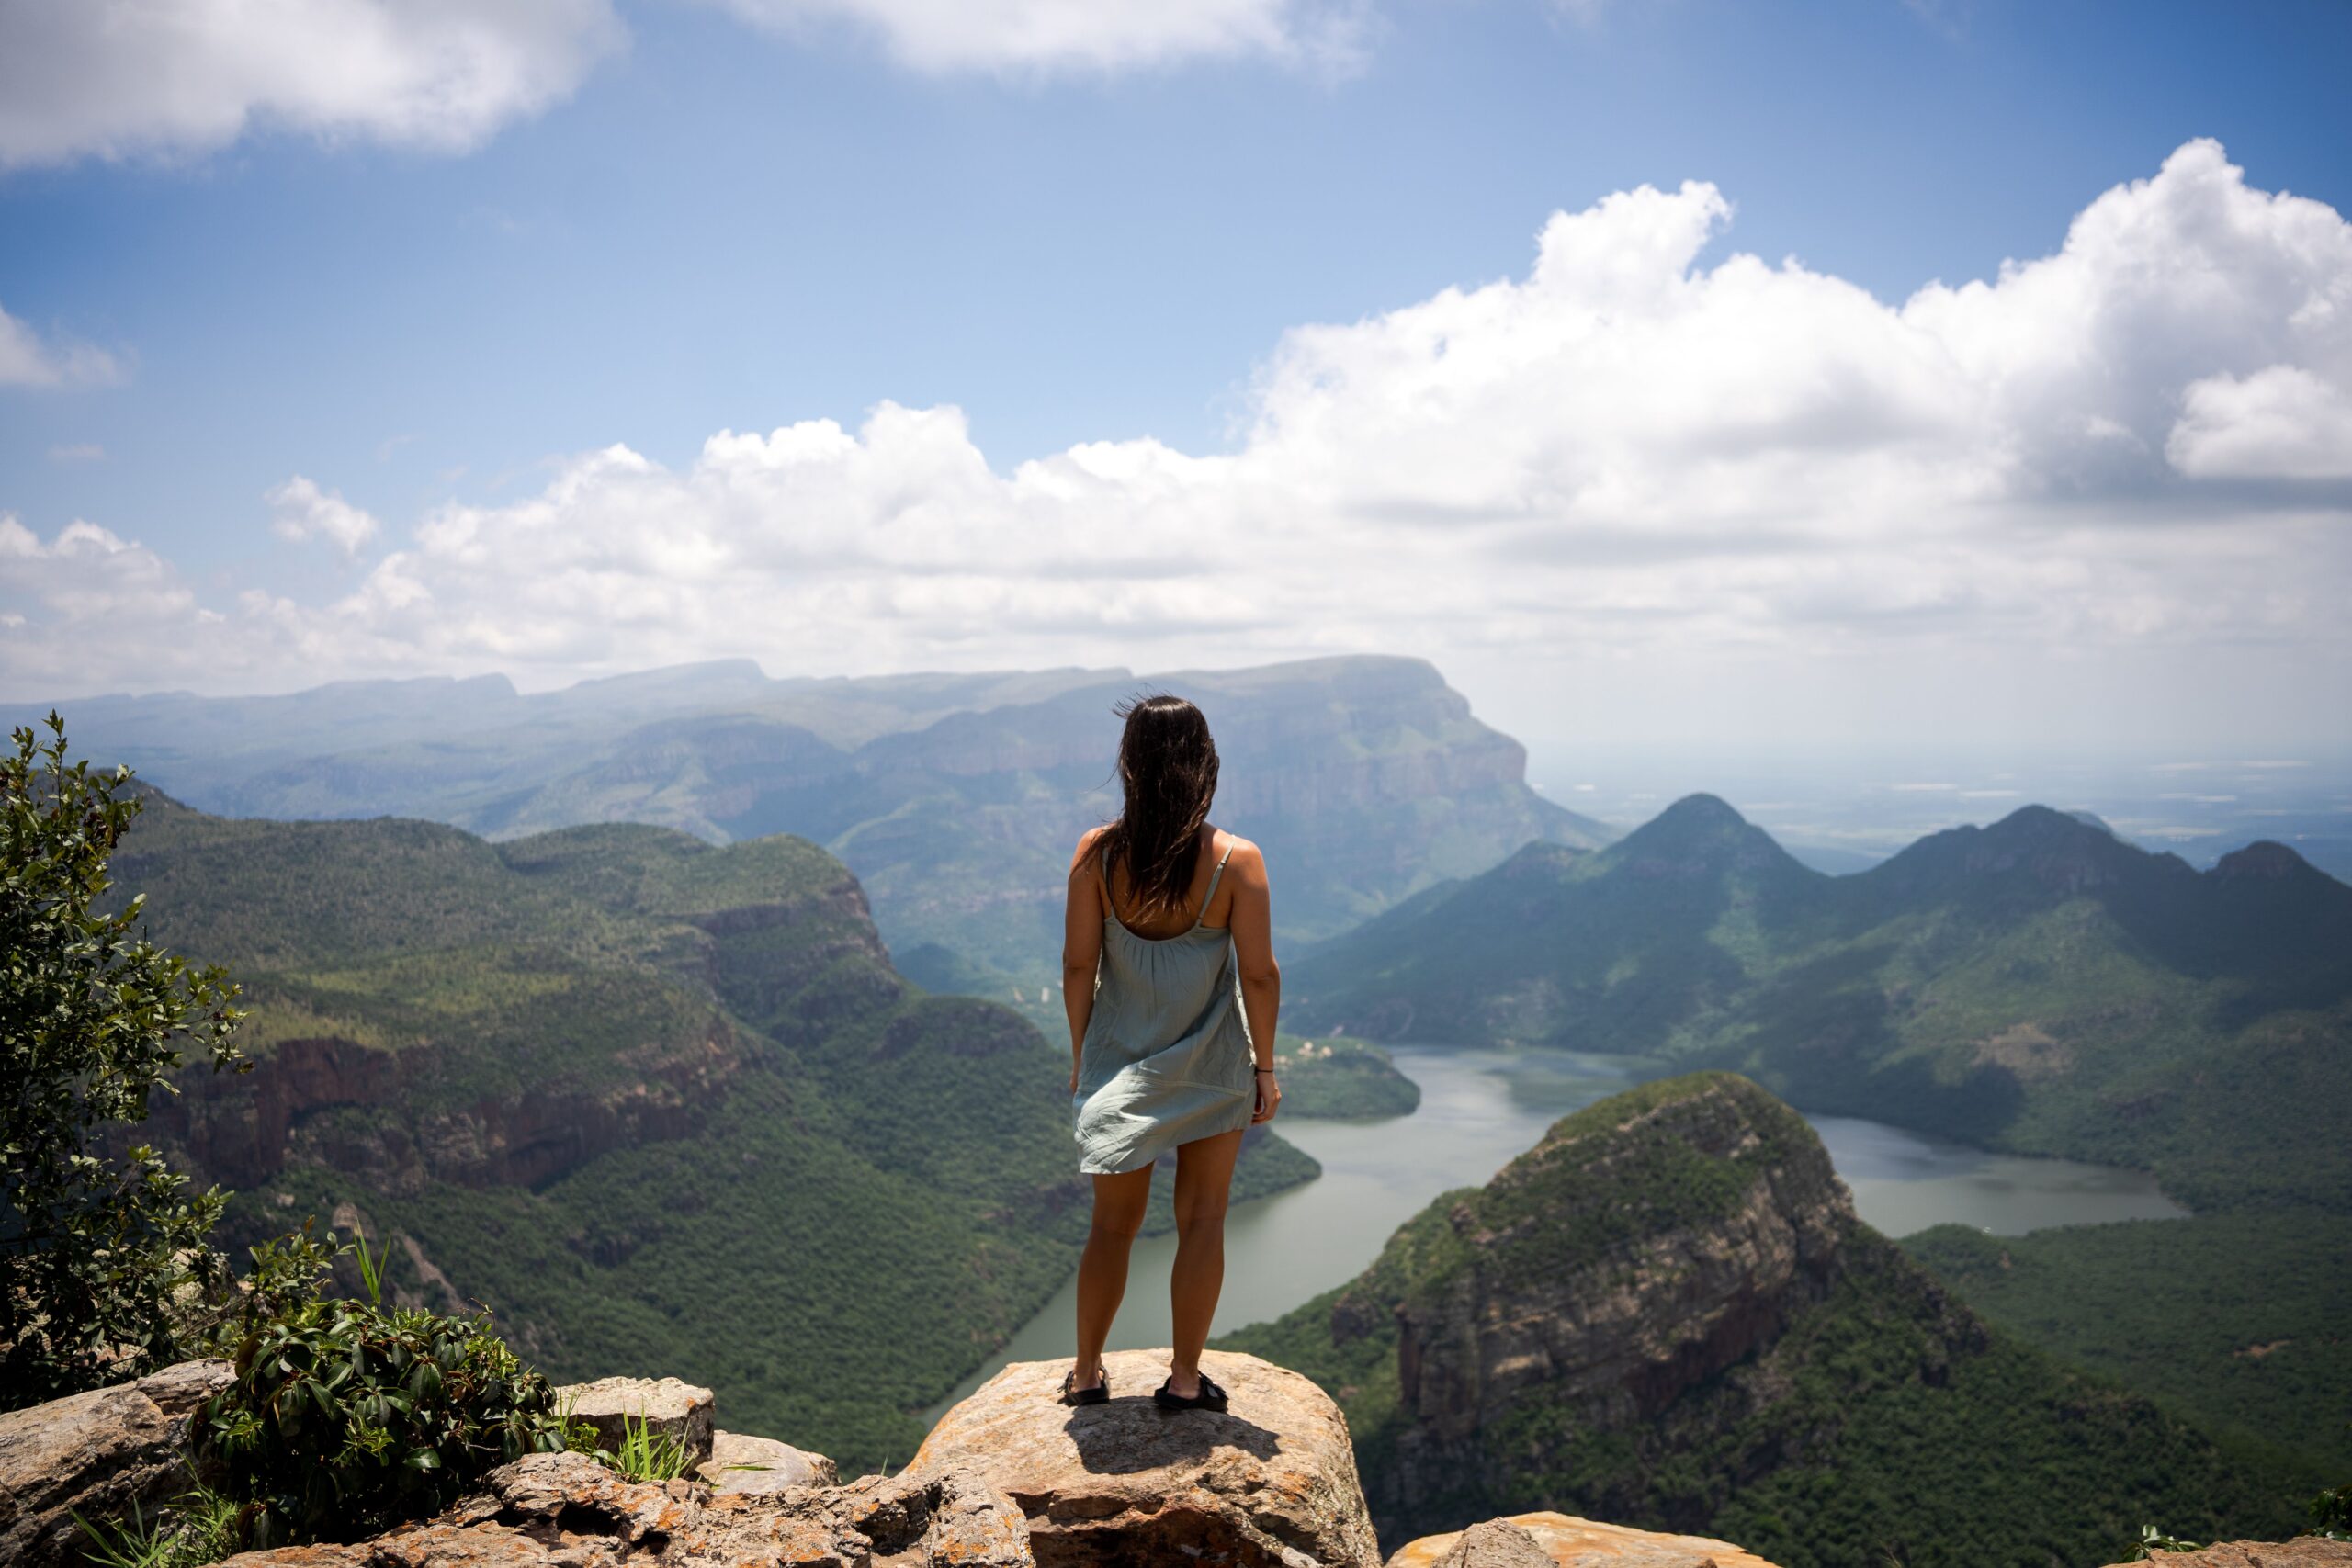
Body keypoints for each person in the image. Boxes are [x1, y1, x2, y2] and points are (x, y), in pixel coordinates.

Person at [1059, 693, 1280, 1411]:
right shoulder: (1236, 862)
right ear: (1204, 763)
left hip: (1120, 1066)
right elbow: (1259, 974)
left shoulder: (1097, 855)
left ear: (1129, 766)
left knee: (1111, 1228)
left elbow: (1076, 966)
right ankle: (1185, 1380)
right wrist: (1266, 1068)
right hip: (1212, 1063)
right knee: (1205, 1220)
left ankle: (1087, 1372)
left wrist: (1079, 1057)